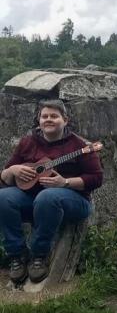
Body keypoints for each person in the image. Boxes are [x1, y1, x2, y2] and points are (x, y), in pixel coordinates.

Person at [0, 99, 103, 284]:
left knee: (47, 197)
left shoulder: (79, 146)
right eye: (44, 116)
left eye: (54, 116)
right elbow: (4, 178)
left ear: (65, 120)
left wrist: (64, 182)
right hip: (33, 199)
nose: (48, 119)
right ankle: (17, 255)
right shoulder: (28, 142)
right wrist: (12, 170)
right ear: (38, 120)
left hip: (75, 200)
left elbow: (96, 178)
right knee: (4, 197)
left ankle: (39, 255)